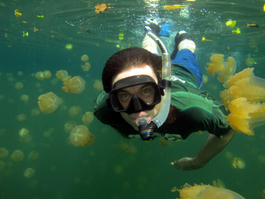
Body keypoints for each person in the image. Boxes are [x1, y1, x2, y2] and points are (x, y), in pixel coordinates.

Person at [93, 22, 236, 171]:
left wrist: (198, 161)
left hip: (184, 71)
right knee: (145, 55)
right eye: (124, 95)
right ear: (112, 100)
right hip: (153, 72)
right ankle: (152, 32)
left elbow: (230, 125)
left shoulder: (194, 109)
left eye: (146, 91)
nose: (138, 108)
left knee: (187, 49)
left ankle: (182, 36)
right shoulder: (104, 109)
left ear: (162, 89)